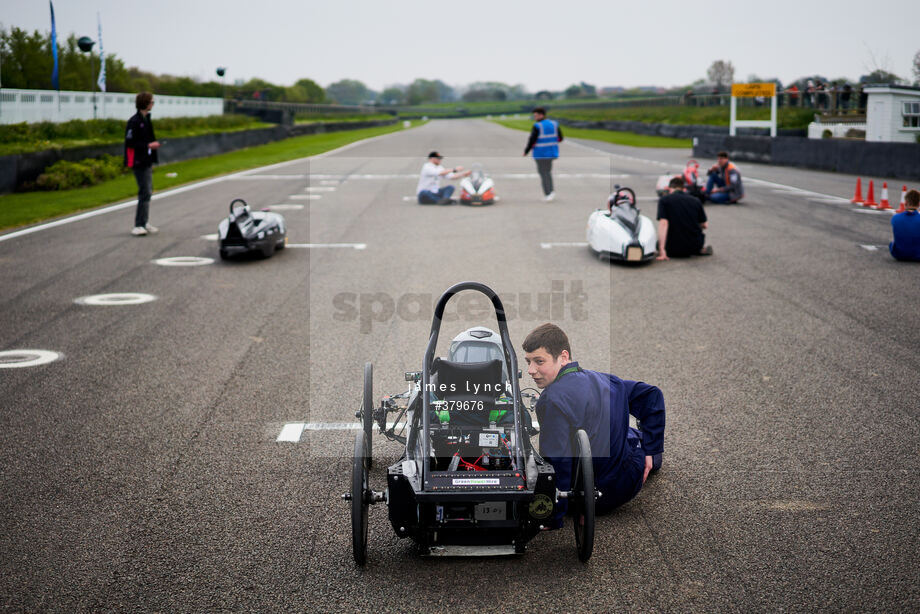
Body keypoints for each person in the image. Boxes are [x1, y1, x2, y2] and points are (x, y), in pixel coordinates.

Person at [523, 323, 665, 527]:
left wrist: (555, 516)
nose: (531, 370)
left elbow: (558, 461)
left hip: (588, 496)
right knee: (634, 437)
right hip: (626, 481)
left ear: (563, 357)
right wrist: (651, 451)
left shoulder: (551, 400)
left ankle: (647, 454)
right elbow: (652, 395)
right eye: (528, 362)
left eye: (539, 361)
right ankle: (652, 456)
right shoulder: (608, 381)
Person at [124, 91, 161, 236]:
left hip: (146, 160)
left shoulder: (147, 119)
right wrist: (148, 145)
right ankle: (138, 224)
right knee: (144, 191)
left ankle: (144, 222)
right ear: (145, 103)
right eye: (151, 102)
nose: (153, 104)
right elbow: (130, 142)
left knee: (148, 191)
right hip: (138, 161)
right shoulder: (134, 121)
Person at [656, 176, 712, 260]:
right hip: (694, 246)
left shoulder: (664, 200)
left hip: (671, 248)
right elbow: (704, 225)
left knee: (656, 244)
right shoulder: (696, 200)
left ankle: (663, 249)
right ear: (684, 189)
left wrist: (662, 249)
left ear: (670, 188)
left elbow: (664, 223)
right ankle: (700, 249)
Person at [523, 107, 563, 201]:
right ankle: (551, 191)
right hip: (551, 152)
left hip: (540, 153)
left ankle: (548, 193)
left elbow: (532, 140)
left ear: (541, 115)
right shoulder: (554, 124)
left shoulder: (537, 126)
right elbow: (560, 138)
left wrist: (526, 151)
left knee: (543, 173)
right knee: (548, 172)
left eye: (536, 115)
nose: (535, 117)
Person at [890, 189, 920, 262]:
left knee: (892, 242)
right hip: (918, 256)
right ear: (919, 204)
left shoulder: (895, 218)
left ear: (905, 203)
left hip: (898, 254)